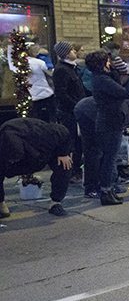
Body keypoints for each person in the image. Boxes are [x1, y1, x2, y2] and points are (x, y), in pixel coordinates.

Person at [89, 50, 129, 206]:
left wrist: (115, 70)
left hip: (111, 121)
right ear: (101, 63)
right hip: (109, 123)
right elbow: (125, 92)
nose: (110, 63)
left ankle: (108, 190)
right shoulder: (101, 79)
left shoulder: (102, 77)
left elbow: (116, 84)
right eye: (107, 61)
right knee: (109, 159)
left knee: (109, 158)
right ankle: (106, 191)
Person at [0, 118, 73, 218]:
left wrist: (63, 153)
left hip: (43, 151)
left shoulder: (46, 134)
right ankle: (1, 204)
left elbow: (63, 131)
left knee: (65, 164)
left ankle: (55, 203)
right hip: (20, 153)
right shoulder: (4, 142)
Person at [52, 41, 85, 183]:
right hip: (69, 112)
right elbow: (61, 93)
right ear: (66, 54)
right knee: (72, 142)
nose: (75, 52)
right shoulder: (61, 70)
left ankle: (76, 169)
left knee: (79, 143)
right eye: (72, 50)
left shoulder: (72, 68)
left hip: (76, 110)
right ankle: (71, 172)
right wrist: (77, 105)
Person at [74, 95, 102, 198]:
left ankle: (92, 186)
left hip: (85, 110)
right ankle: (91, 187)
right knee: (93, 152)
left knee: (93, 152)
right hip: (88, 113)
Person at [25, 44, 56, 123]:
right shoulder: (39, 62)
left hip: (33, 93)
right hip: (45, 91)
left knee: (36, 115)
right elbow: (50, 73)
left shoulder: (23, 63)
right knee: (51, 113)